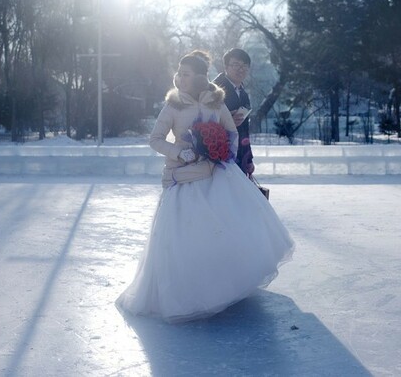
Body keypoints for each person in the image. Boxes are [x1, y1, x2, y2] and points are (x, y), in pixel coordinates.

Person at [116, 50, 294, 323]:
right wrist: (179, 152)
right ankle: (191, 295)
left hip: (217, 176)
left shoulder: (215, 101)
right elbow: (155, 139)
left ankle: (224, 288)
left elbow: (232, 131)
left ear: (199, 77)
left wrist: (225, 153)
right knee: (186, 240)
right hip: (185, 179)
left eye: (186, 73)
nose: (180, 77)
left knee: (225, 232)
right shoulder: (173, 105)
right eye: (179, 72)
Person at [213, 48, 254, 176]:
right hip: (217, 154)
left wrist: (248, 159)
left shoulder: (243, 94)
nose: (240, 69)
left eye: (244, 66)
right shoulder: (214, 90)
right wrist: (228, 121)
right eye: (236, 65)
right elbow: (202, 122)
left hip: (239, 156)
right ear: (225, 66)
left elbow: (244, 129)